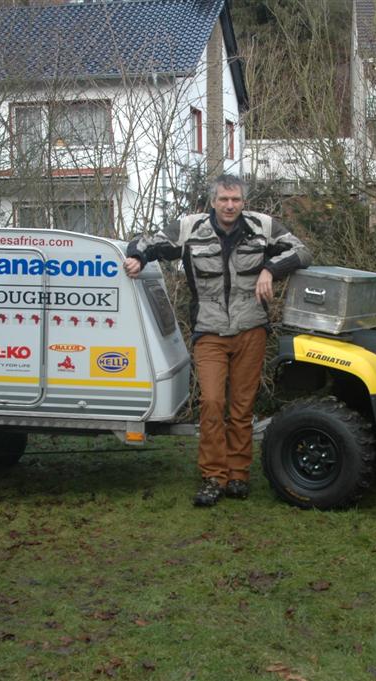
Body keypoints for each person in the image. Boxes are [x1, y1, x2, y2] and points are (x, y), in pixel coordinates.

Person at [124, 174, 312, 506]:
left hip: (251, 329)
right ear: (213, 201)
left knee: (242, 407)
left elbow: (302, 251)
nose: (229, 205)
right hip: (209, 332)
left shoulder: (262, 226)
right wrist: (137, 257)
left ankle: (238, 475)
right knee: (212, 403)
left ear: (243, 202)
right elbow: (148, 243)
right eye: (223, 199)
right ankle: (213, 477)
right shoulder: (190, 228)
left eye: (235, 199)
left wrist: (269, 269)